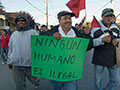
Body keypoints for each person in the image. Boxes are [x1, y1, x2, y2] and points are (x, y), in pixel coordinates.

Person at [45, 10, 93, 90]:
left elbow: (89, 46)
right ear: (59, 21)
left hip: (71, 72)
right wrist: (51, 35)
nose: (68, 20)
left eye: (70, 18)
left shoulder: (77, 33)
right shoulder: (53, 31)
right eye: (65, 18)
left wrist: (87, 35)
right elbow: (41, 38)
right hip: (55, 72)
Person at [7, 13, 39, 90]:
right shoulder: (14, 35)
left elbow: (39, 47)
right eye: (18, 20)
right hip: (16, 65)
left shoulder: (33, 33)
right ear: (16, 22)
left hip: (29, 64)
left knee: (35, 80)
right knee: (20, 86)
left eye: (22, 20)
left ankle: (36, 83)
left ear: (26, 21)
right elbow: (10, 49)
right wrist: (9, 61)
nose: (20, 22)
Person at [90, 8, 120, 90]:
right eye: (107, 16)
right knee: (97, 81)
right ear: (102, 16)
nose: (109, 18)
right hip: (99, 58)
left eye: (111, 16)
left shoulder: (116, 28)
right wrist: (101, 40)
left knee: (116, 80)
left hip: (113, 59)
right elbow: (90, 43)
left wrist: (117, 40)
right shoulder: (95, 28)